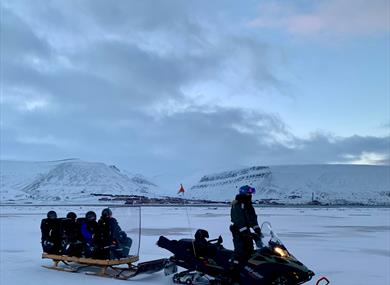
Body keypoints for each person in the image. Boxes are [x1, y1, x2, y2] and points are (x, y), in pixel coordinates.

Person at [230, 185, 262, 263]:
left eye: (251, 193)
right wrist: (244, 231)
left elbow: (252, 218)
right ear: (244, 193)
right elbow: (238, 219)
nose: (250, 195)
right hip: (239, 231)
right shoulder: (237, 204)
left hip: (246, 231)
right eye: (249, 193)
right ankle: (233, 268)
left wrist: (257, 229)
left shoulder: (249, 205)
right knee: (240, 252)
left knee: (250, 251)